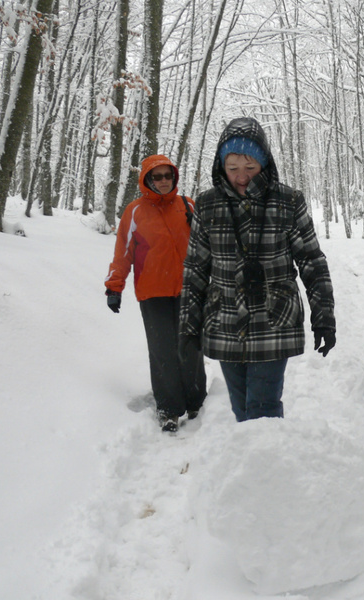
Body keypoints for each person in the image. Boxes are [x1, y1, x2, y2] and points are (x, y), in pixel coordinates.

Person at [179, 117, 336, 422]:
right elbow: (196, 269)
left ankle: (271, 467)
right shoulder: (208, 205)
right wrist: (188, 325)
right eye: (233, 167)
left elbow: (311, 261)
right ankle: (260, 465)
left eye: (249, 167)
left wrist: (324, 316)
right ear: (221, 165)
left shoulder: (288, 201)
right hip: (225, 321)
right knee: (242, 410)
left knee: (262, 411)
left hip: (274, 320)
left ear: (264, 163)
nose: (241, 177)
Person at [104, 154, 207, 433]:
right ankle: (169, 408)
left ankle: (197, 402)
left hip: (189, 290)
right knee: (162, 351)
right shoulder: (135, 211)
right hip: (153, 293)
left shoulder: (188, 206)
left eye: (167, 176)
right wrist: (115, 286)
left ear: (174, 177)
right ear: (147, 180)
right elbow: (123, 253)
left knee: (191, 347)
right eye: (157, 176)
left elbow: (205, 246)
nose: (163, 181)